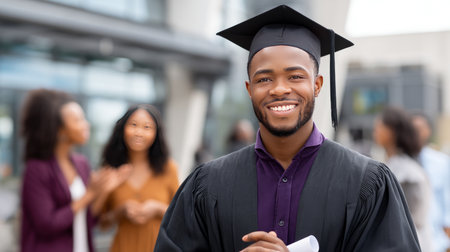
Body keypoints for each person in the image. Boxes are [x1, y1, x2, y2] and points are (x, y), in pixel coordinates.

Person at [155, 5, 420, 252]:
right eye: (264, 78)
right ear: (249, 89)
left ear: (317, 85)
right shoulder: (207, 185)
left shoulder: (367, 183)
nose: (280, 89)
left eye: (295, 76)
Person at [20, 89, 128, 252]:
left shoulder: (81, 163)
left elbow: (88, 220)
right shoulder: (36, 169)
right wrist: (89, 195)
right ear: (59, 130)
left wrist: (103, 191)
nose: (86, 124)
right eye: (78, 120)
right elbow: (46, 225)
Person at [99, 104, 179, 252]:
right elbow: (102, 224)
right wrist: (121, 211)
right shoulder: (111, 170)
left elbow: (180, 216)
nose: (139, 132)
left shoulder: (168, 168)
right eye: (133, 125)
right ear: (122, 128)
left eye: (147, 127)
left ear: (157, 133)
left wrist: (157, 208)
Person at [373, 106, 433, 251]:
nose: (375, 131)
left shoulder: (408, 172)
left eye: (380, 126)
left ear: (391, 131)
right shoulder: (392, 164)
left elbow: (415, 219)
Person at [412, 112, 450, 252]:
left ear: (428, 131)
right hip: (413, 238)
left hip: (438, 239)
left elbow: (447, 198)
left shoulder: (441, 162)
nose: (416, 133)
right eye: (412, 129)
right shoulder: (401, 163)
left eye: (419, 129)